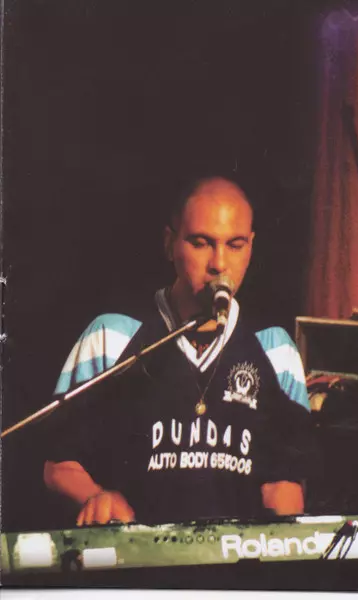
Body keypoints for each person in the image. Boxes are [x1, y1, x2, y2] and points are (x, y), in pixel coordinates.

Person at [43, 175, 313, 526]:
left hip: (236, 557)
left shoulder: (276, 349)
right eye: (201, 243)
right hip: (133, 554)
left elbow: (287, 481)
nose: (219, 264)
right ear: (170, 244)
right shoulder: (111, 336)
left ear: (251, 247)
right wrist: (95, 496)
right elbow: (58, 464)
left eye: (235, 245)